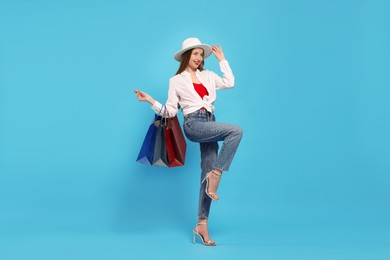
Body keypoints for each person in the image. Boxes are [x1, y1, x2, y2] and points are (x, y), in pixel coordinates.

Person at [134, 37, 243, 246]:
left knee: (206, 171)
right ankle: (217, 174)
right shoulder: (176, 81)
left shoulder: (209, 76)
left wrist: (222, 59)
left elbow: (230, 82)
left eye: (201, 54)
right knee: (236, 132)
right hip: (194, 124)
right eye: (195, 53)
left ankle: (202, 223)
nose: (199, 57)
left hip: (211, 122)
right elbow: (171, 111)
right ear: (186, 56)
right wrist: (149, 100)